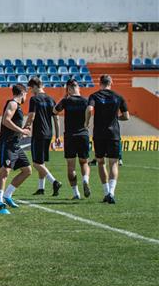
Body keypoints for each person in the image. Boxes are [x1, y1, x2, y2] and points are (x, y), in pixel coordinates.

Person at [85, 75, 129, 204]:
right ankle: (111, 193)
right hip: (113, 133)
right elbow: (126, 116)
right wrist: (116, 119)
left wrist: (86, 122)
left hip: (99, 133)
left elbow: (89, 109)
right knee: (114, 163)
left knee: (100, 162)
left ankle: (105, 192)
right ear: (111, 82)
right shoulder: (118, 96)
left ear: (100, 83)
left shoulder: (94, 96)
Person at [0, 84, 33, 215]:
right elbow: (6, 120)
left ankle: (7, 195)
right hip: (7, 143)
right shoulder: (13, 104)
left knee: (27, 171)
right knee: (5, 172)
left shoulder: (18, 106)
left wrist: (21, 132)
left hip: (15, 143)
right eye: (26, 94)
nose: (26, 97)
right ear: (22, 92)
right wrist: (21, 130)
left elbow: (12, 124)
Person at [54, 79, 91, 200]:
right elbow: (90, 111)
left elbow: (54, 111)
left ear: (69, 89)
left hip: (70, 136)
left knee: (71, 166)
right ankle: (85, 180)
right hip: (83, 134)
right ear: (78, 87)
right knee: (84, 162)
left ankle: (76, 193)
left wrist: (65, 97)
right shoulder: (86, 100)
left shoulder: (66, 100)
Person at [25, 77, 61, 196]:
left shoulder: (34, 99)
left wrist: (25, 127)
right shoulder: (51, 99)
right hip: (49, 133)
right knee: (41, 162)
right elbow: (56, 119)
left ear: (35, 86)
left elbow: (32, 116)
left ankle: (54, 181)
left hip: (39, 133)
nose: (30, 91)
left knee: (36, 163)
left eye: (31, 88)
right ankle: (41, 188)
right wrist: (57, 135)